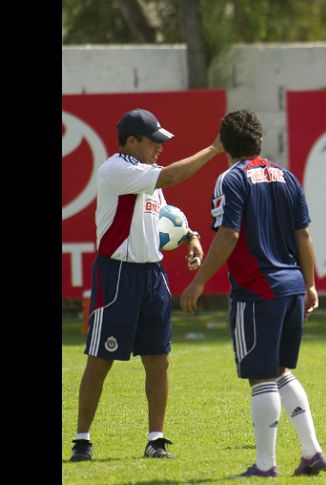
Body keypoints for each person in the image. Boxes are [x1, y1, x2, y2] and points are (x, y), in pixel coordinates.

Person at [179, 109, 326, 478]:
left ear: (225, 143)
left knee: (261, 377)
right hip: (292, 286)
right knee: (280, 371)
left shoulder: (230, 179)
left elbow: (228, 234)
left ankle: (264, 465)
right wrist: (310, 284)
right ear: (259, 140)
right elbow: (303, 235)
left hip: (257, 290)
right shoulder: (287, 177)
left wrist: (198, 283)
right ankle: (311, 454)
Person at [70, 108, 223, 462]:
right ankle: (82, 440)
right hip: (118, 274)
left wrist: (192, 238)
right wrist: (213, 150)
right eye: (154, 141)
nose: (160, 147)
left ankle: (156, 439)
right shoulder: (117, 169)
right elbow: (168, 178)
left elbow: (166, 215)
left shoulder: (146, 176)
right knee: (100, 358)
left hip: (152, 275)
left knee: (159, 359)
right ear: (132, 141)